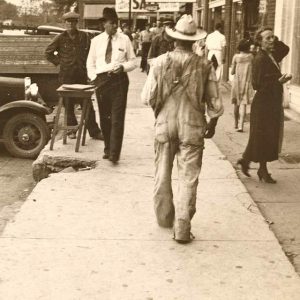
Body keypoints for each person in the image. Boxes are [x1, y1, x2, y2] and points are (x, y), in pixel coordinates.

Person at [141, 15, 223, 243]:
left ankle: (165, 217)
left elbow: (146, 97)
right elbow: (215, 103)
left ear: (173, 38)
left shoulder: (158, 63)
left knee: (162, 174)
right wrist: (212, 122)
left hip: (165, 125)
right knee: (188, 178)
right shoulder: (205, 65)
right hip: (193, 124)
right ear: (194, 40)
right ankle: (183, 227)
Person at [237, 28, 291, 183]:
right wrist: (278, 82)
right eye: (267, 38)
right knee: (263, 136)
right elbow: (256, 85)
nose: (272, 40)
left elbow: (285, 49)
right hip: (263, 103)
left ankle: (247, 162)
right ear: (259, 42)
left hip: (272, 101)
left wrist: (274, 39)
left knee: (263, 136)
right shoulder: (260, 59)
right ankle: (262, 170)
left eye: (273, 37)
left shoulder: (271, 55)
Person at [86, 8, 136, 164]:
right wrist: (94, 78)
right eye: (112, 23)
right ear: (104, 24)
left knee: (117, 119)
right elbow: (90, 64)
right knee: (105, 118)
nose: (115, 26)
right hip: (102, 82)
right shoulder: (96, 41)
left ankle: (115, 153)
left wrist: (122, 67)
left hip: (119, 81)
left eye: (116, 23)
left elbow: (133, 61)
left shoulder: (124, 39)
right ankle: (107, 149)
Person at [45, 11, 103, 140]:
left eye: (73, 21)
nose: (71, 24)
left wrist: (91, 68)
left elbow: (93, 52)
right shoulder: (60, 38)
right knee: (68, 104)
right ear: (64, 23)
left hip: (82, 75)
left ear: (77, 23)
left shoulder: (85, 36)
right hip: (66, 76)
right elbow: (48, 53)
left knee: (87, 103)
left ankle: (94, 132)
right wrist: (60, 63)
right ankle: (72, 130)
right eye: (68, 22)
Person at [231, 39, 254, 132]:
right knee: (243, 104)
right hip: (247, 82)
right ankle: (241, 126)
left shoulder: (236, 57)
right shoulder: (251, 57)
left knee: (236, 104)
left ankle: (235, 123)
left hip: (237, 82)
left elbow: (232, 72)